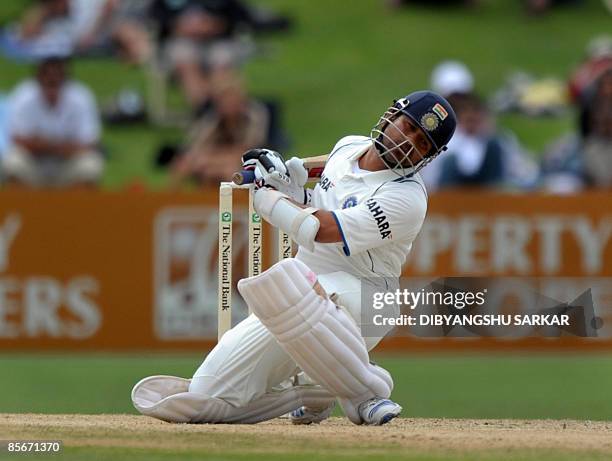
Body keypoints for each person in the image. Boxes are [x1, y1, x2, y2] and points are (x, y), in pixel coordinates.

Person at [132, 90, 457, 425]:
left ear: (429, 156)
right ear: (391, 115)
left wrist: (268, 199)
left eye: (421, 142)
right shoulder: (349, 146)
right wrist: (282, 171)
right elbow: (319, 171)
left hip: (365, 297)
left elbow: (320, 228)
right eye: (408, 127)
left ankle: (366, 393)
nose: (408, 141)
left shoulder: (407, 198)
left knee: (288, 281)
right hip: (295, 298)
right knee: (205, 398)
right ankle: (311, 390)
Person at [2, 56, 103, 187]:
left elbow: (90, 143)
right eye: (48, 77)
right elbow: (17, 139)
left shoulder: (81, 97)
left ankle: (75, 207)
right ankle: (23, 206)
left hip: (67, 165)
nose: (52, 80)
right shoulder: (23, 95)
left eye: (57, 77)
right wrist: (60, 146)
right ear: (38, 78)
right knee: (12, 161)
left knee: (91, 164)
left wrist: (42, 143)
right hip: (34, 165)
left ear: (65, 79)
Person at [170, 76, 271, 186]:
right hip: (216, 159)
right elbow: (197, 147)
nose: (228, 104)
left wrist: (209, 160)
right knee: (183, 165)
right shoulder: (214, 120)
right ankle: (169, 199)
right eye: (224, 100)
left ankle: (237, 201)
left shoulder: (254, 117)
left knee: (230, 171)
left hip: (250, 164)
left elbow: (246, 151)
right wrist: (199, 159)